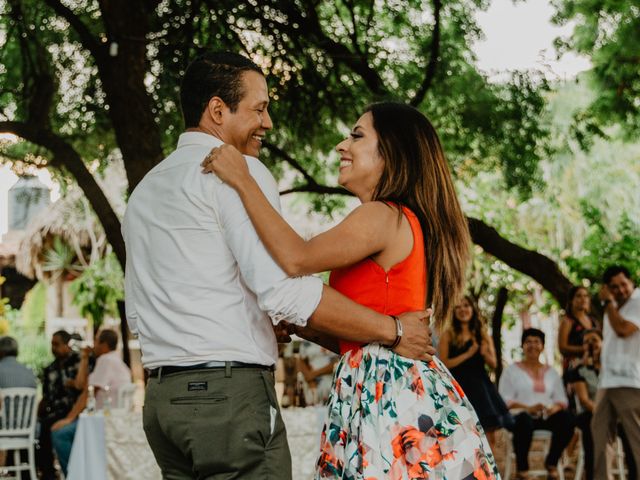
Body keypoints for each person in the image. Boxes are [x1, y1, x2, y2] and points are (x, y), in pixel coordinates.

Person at [122, 52, 433, 479]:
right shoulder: (238, 172)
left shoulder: (143, 191)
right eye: (260, 109)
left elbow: (138, 314)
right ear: (218, 110)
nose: (267, 123)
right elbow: (285, 288)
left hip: (161, 404)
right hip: (229, 400)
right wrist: (394, 330)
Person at [203, 101, 499, 478]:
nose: (342, 145)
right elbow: (361, 338)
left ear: (391, 153)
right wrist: (301, 327)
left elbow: (295, 258)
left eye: (357, 136)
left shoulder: (382, 215)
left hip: (386, 391)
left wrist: (242, 179)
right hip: (384, 383)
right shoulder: (397, 218)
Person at [51, 329, 131, 476]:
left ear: (104, 344)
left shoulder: (105, 360)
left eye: (96, 341)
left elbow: (86, 393)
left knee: (59, 434)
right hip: (116, 421)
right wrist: (85, 358)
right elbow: (81, 384)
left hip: (104, 421)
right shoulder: (116, 360)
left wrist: (69, 419)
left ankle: (76, 474)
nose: (93, 344)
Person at [439, 295, 513, 452]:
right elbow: (444, 364)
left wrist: (485, 353)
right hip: (459, 387)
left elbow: (493, 364)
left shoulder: (482, 334)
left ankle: (488, 473)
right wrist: (468, 354)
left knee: (488, 434)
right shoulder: (448, 335)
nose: (462, 310)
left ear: (472, 309)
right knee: (462, 433)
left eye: (466, 306)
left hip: (482, 389)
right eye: (458, 307)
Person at [498, 328, 574, 480]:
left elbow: (562, 400)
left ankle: (552, 462)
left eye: (537, 342)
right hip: (519, 418)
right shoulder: (511, 371)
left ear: (543, 346)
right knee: (524, 420)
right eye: (528, 342)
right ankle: (522, 468)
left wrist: (554, 408)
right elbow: (504, 400)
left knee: (568, 419)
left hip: (546, 417)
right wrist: (528, 408)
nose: (532, 345)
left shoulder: (552, 372)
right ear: (522, 346)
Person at [567, 328, 636, 480]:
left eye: (594, 340)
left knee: (630, 429)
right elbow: (584, 400)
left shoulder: (614, 368)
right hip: (592, 412)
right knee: (591, 424)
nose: (591, 344)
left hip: (618, 413)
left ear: (603, 343)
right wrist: (603, 414)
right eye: (586, 342)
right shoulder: (579, 370)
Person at [593, 265, 640, 478]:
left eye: (623, 284)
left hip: (629, 380)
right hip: (607, 381)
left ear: (631, 282)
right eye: (614, 287)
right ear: (607, 288)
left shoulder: (638, 301)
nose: (620, 290)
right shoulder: (612, 307)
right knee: (600, 437)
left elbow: (623, 330)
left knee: (637, 439)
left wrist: (609, 302)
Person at [37, 330, 82, 480]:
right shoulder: (50, 368)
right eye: (52, 344)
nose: (53, 348)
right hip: (55, 411)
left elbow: (83, 388)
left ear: (66, 344)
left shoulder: (79, 361)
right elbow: (45, 397)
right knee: (40, 426)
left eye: (57, 344)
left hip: (73, 410)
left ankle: (66, 473)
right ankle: (47, 472)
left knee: (46, 427)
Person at [558, 286, 597, 381]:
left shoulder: (594, 321)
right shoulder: (567, 321)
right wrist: (585, 349)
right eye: (579, 296)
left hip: (593, 366)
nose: (583, 299)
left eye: (586, 296)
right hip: (574, 369)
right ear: (571, 300)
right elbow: (562, 347)